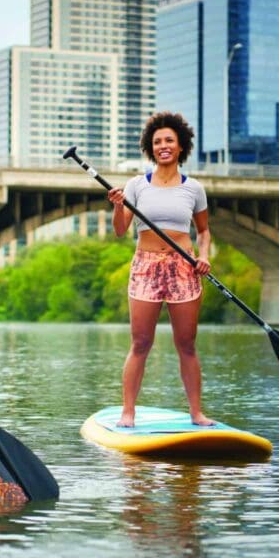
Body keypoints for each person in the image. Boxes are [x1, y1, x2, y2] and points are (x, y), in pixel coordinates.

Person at [107, 111, 213, 429]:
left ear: (181, 147)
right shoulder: (137, 185)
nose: (163, 146)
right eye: (157, 142)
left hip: (184, 268)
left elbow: (204, 232)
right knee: (140, 343)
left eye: (169, 140)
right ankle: (128, 411)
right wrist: (117, 206)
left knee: (187, 344)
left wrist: (205, 256)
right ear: (150, 149)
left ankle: (196, 412)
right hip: (145, 268)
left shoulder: (193, 189)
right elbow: (120, 230)